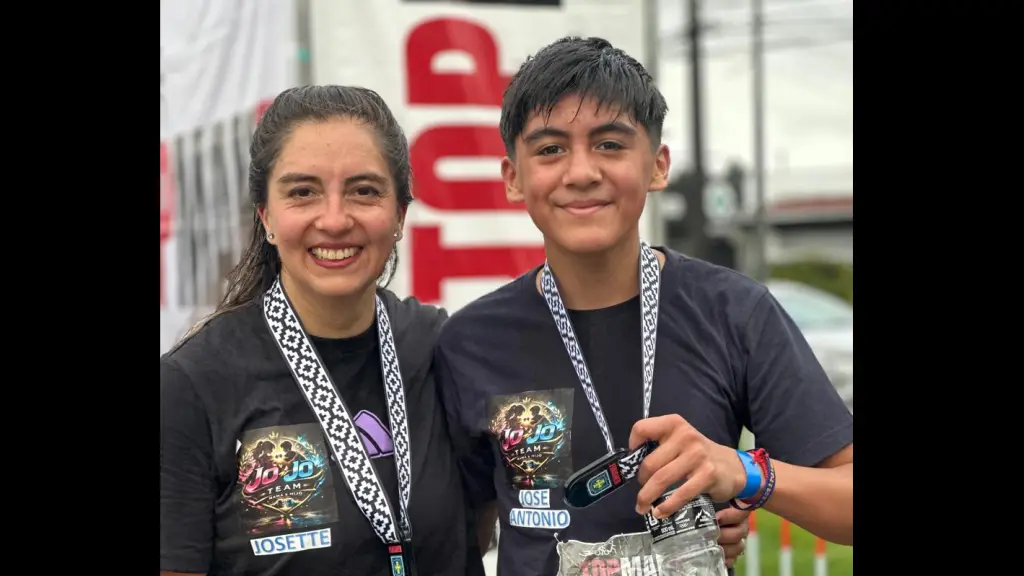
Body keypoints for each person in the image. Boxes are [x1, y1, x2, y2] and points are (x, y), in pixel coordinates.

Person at [434, 36, 853, 576]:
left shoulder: (732, 311)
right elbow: (461, 526)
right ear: (513, 178)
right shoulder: (472, 341)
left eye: (610, 144)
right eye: (550, 149)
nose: (581, 172)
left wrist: (743, 472)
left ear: (657, 166)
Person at [160, 85, 485, 576]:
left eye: (364, 190)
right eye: (303, 192)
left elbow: (484, 523)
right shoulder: (191, 384)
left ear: (399, 214)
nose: (334, 220)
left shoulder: (442, 349)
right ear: (266, 216)